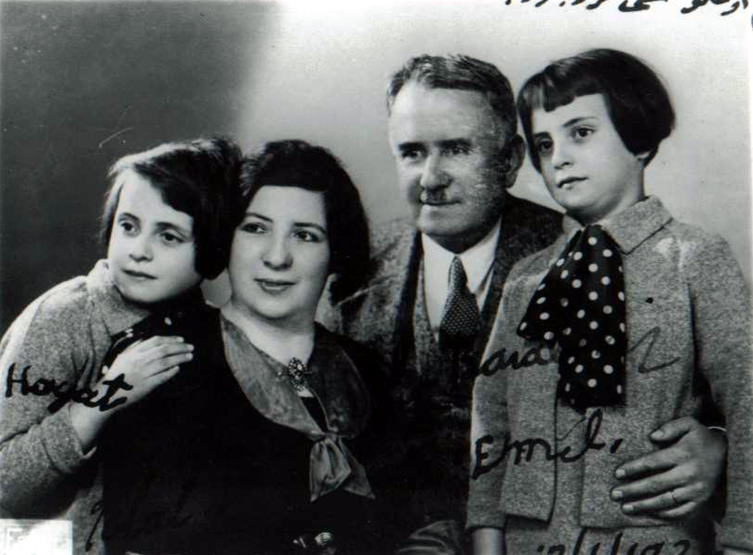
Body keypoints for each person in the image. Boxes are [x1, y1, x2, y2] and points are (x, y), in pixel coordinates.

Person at [318, 54, 729, 554]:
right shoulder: (353, 273)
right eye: (411, 152)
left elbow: (720, 394)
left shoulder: (587, 255)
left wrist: (718, 447)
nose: (430, 177)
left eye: (456, 149)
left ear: (511, 160)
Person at [468, 48, 751, 554]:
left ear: (639, 140)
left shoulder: (695, 258)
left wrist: (742, 542)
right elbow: (492, 416)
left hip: (656, 540)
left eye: (581, 132)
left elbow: (748, 399)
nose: (559, 157)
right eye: (544, 143)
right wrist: (487, 539)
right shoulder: (526, 278)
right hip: (529, 542)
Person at [99, 139, 386, 555]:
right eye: (255, 228)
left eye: (305, 236)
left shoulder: (368, 372)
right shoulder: (163, 362)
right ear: (224, 239)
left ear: (336, 254)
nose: (277, 257)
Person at [0, 137, 242, 555]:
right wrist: (106, 396)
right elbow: (4, 481)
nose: (138, 251)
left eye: (168, 236)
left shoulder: (209, 329)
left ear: (213, 251)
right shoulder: (64, 316)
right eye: (128, 226)